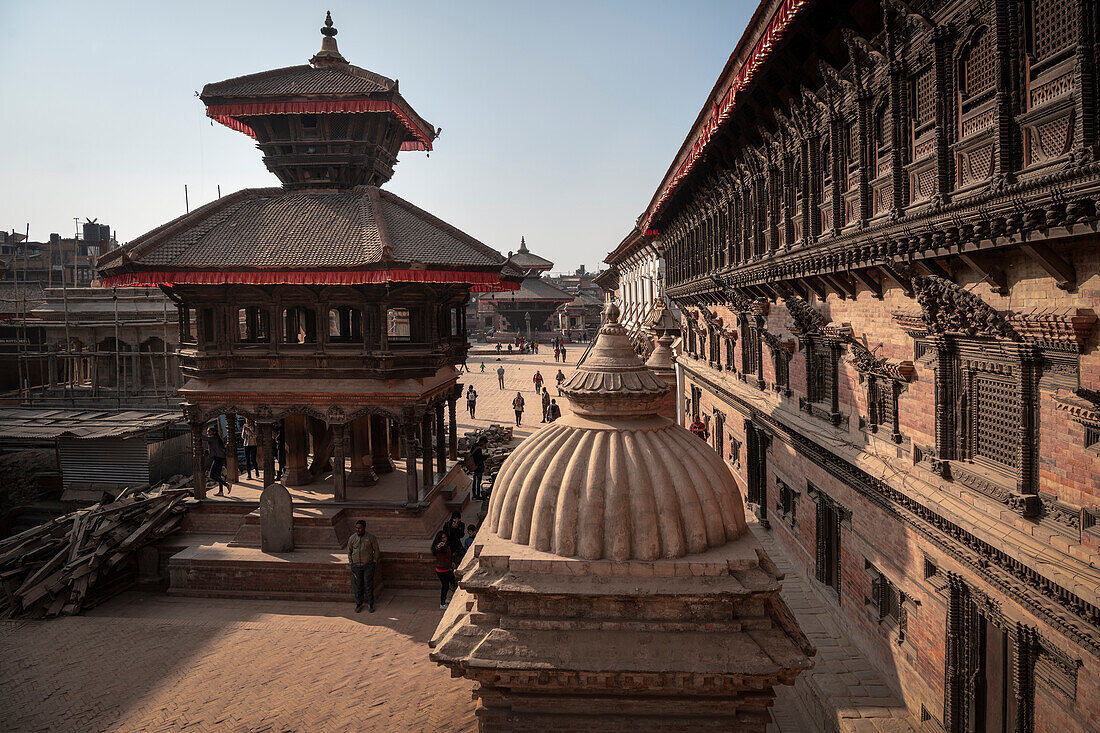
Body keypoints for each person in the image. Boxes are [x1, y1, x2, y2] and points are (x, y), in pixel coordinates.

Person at [347, 520, 379, 613]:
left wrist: (374, 560)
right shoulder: (352, 538)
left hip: (368, 565)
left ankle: (370, 604)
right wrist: (351, 562)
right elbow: (349, 551)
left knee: (368, 584)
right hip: (356, 565)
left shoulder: (370, 538)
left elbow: (376, 549)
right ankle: (359, 604)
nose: (358, 530)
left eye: (360, 528)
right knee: (358, 585)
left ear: (364, 528)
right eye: (356, 528)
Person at [204, 425, 229, 496]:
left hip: (218, 458)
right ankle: (221, 491)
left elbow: (203, 437)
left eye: (209, 431)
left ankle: (226, 485)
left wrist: (196, 432)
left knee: (212, 475)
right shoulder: (215, 439)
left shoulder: (213, 438)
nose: (207, 432)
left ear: (214, 432)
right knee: (218, 475)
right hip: (219, 458)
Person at [431, 530, 453, 609]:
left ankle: (445, 599)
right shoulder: (439, 547)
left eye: (445, 537)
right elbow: (437, 548)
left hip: (446, 568)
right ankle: (442, 604)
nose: (444, 539)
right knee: (445, 586)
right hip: (441, 570)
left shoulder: (446, 545)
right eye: (442, 538)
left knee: (446, 585)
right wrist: (439, 545)